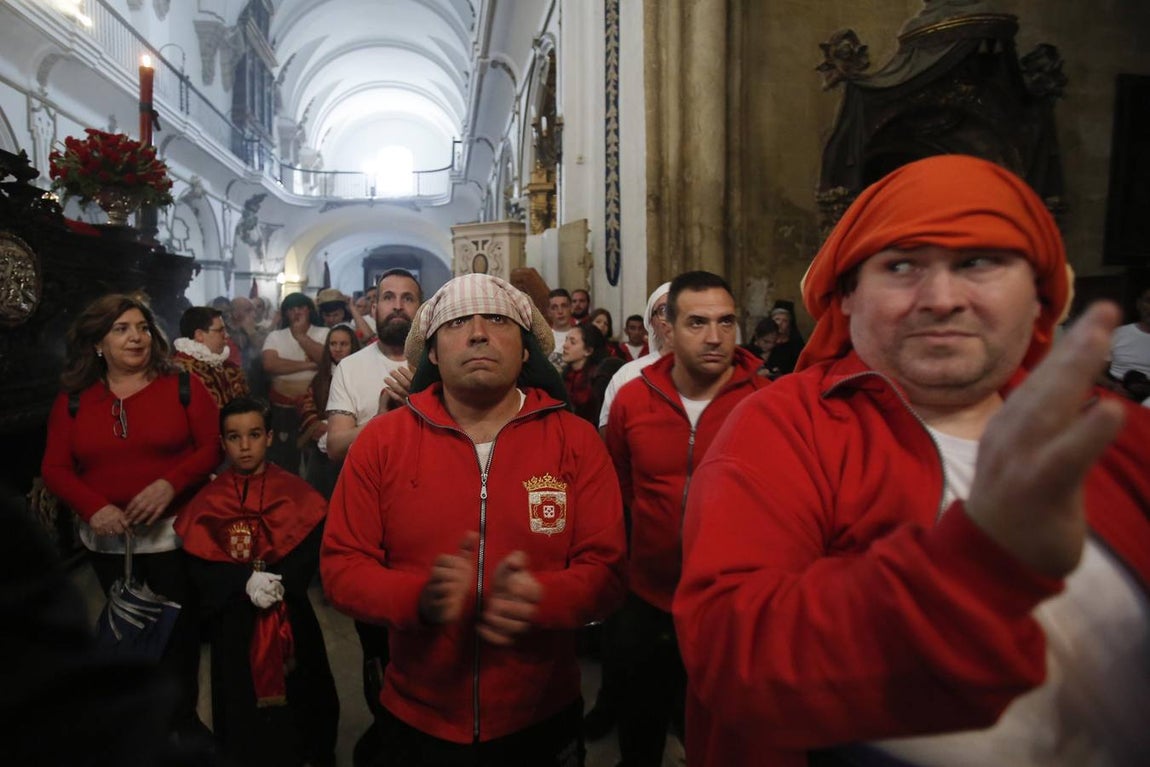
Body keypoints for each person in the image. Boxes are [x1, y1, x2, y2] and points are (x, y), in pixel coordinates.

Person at [674, 154, 1150, 767]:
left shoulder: (1113, 432)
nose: (942, 299)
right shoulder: (784, 427)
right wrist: (981, 563)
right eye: (901, 266)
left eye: (978, 262)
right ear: (847, 295)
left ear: (1038, 295)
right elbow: (734, 651)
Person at [322, 273, 626, 767]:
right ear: (433, 351)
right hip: (419, 715)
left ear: (525, 350)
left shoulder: (575, 441)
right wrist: (417, 598)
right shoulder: (381, 442)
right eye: (458, 322)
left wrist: (542, 597)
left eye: (498, 321)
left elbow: (607, 572)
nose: (479, 333)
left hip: (540, 713)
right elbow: (341, 568)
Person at [40, 292, 221, 744]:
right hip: (108, 542)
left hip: (174, 537)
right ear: (97, 343)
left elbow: (211, 448)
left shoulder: (182, 385)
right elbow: (55, 468)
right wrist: (94, 507)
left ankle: (182, 722)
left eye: (142, 327)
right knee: (129, 631)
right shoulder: (74, 400)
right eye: (121, 329)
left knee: (178, 634)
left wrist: (170, 484)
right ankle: (142, 724)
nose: (136, 337)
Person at [605, 271, 767, 766]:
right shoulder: (634, 399)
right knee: (640, 729)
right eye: (697, 323)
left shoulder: (765, 404)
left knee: (719, 737)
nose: (714, 337)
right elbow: (622, 484)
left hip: (731, 603)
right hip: (648, 594)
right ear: (669, 329)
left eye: (726, 322)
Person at [177, 397, 340, 767]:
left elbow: (308, 547)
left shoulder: (294, 491)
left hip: (290, 617)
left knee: (304, 695)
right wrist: (243, 582)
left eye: (254, 435)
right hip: (235, 623)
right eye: (234, 437)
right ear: (223, 442)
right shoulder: (209, 501)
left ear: (268, 436)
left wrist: (279, 582)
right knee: (240, 702)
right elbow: (200, 567)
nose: (245, 446)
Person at [322, 267, 421, 765]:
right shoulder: (351, 368)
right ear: (374, 306)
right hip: (373, 527)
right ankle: (385, 733)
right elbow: (337, 446)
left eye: (408, 298)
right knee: (376, 641)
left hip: (427, 525)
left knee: (426, 636)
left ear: (421, 309)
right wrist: (381, 421)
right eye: (388, 297)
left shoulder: (440, 361)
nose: (397, 305)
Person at [261, 292, 328, 474]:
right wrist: (309, 365)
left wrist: (300, 336)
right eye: (291, 309)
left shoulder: (324, 333)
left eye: (301, 307)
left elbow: (325, 359)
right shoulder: (275, 336)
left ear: (309, 310)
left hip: (315, 407)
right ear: (285, 313)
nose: (296, 312)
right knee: (284, 456)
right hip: (283, 408)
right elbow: (270, 364)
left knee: (316, 456)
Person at [597, 283, 672, 433]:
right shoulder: (627, 374)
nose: (672, 317)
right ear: (651, 323)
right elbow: (608, 431)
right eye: (664, 310)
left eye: (678, 309)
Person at [298, 324, 361, 498]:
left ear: (352, 346)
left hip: (353, 446)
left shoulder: (361, 375)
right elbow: (307, 403)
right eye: (333, 344)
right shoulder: (321, 377)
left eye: (343, 344)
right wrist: (316, 425)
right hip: (322, 451)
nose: (338, 349)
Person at [173, 305, 250, 407]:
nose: (227, 335)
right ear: (199, 335)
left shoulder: (231, 367)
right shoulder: (179, 370)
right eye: (220, 330)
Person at [561, 323, 624, 426]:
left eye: (572, 342)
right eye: (566, 340)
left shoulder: (599, 378)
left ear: (588, 351)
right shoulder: (564, 375)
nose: (565, 345)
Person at [1102, 286, 1150, 400]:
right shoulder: (1116, 334)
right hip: (1118, 394)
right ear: (1139, 304)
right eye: (1149, 301)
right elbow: (1094, 372)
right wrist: (1112, 386)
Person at [764, 299, 805, 376]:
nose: (780, 323)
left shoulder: (796, 344)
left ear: (789, 324)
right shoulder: (762, 340)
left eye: (784, 321)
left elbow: (799, 368)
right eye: (777, 319)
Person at [548, 288, 575, 369]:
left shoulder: (580, 337)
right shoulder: (542, 338)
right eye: (554, 307)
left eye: (564, 306)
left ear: (571, 308)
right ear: (549, 312)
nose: (560, 311)